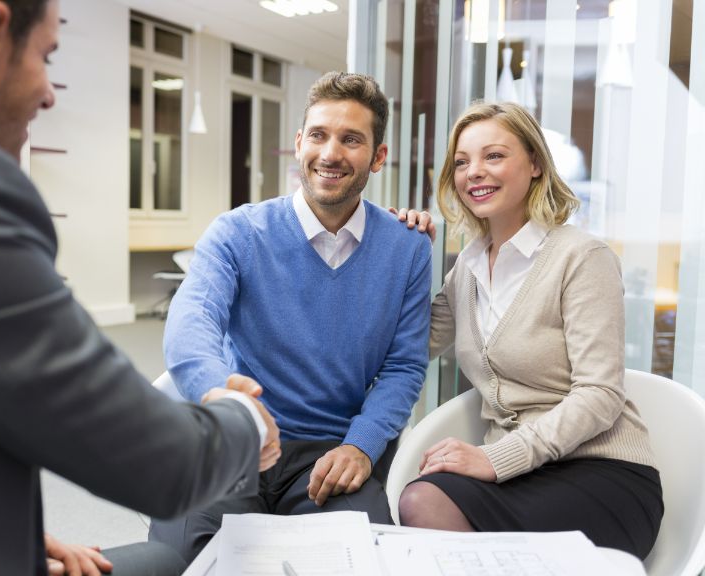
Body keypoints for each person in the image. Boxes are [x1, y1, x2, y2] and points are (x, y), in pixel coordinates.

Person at [0, 1, 281, 575]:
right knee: (166, 562)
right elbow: (165, 465)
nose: (49, 93)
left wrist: (25, 533)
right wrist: (244, 415)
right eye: (45, 57)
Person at [150, 71, 433, 562]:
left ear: (379, 157)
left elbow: (405, 366)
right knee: (195, 557)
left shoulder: (408, 249)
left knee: (365, 559)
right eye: (319, 135)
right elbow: (191, 319)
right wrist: (221, 398)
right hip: (240, 438)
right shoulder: (238, 231)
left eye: (352, 139)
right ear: (299, 142)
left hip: (332, 451)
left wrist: (362, 446)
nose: (331, 153)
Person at [397, 101, 663, 559]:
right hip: (518, 477)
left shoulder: (581, 257)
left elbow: (600, 393)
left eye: (494, 156)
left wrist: (493, 459)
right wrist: (396, 251)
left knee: (425, 502)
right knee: (421, 498)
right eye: (462, 162)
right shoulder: (469, 266)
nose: (474, 172)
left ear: (536, 164)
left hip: (601, 472)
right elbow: (408, 343)